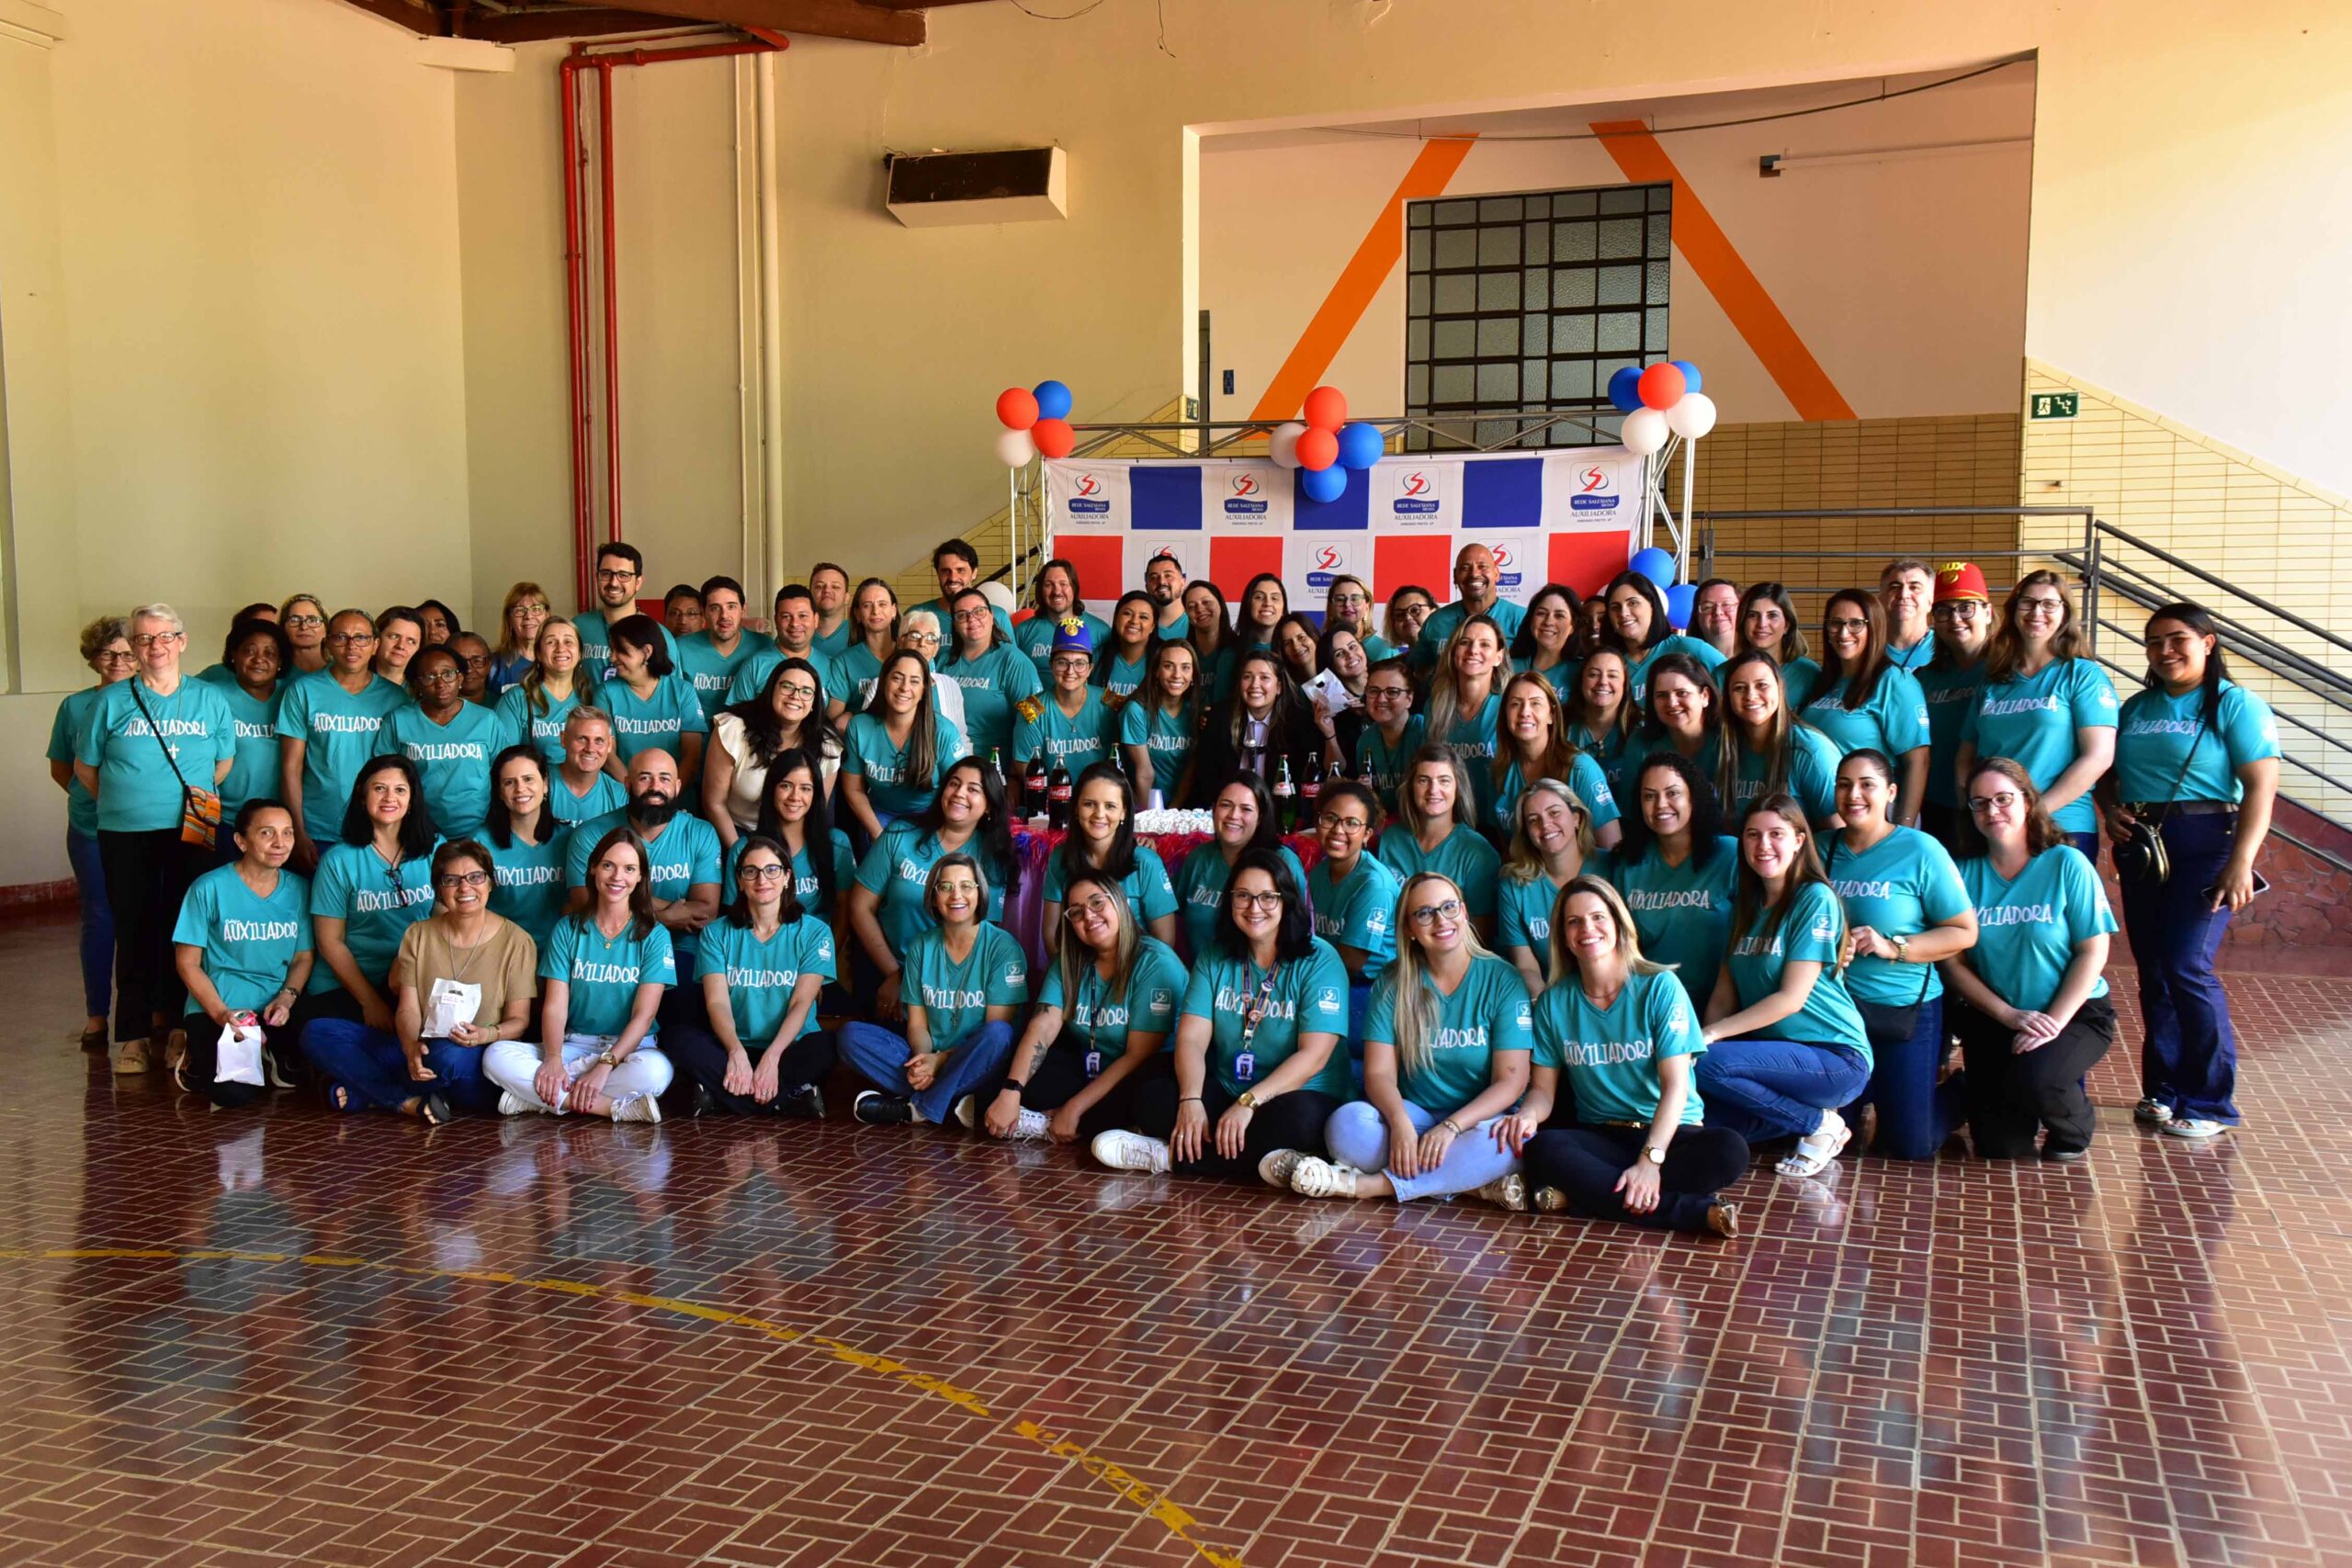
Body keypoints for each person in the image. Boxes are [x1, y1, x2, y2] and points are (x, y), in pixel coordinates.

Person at [2099, 603, 2279, 1140]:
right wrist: (2111, 809)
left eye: (2177, 639)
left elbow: (2261, 786)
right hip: (2143, 845)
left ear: (2209, 642)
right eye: (2153, 642)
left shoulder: (2234, 704)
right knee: (2154, 971)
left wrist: (2241, 861)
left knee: (2186, 966)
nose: (2165, 651)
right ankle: (2163, 1090)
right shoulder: (2135, 707)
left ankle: (2210, 1102)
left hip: (2208, 842)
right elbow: (2107, 772)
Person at [1092, 850, 1351, 1181]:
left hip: (1297, 1093)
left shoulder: (1319, 959)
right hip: (1230, 1085)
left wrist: (1248, 1104)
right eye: (1242, 896)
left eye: (1267, 898)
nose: (1254, 908)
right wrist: (1191, 1099)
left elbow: (1314, 1056)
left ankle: (1167, 1156)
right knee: (1153, 1099)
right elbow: (1191, 1038)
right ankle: (1268, 1164)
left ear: (1287, 901)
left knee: (1297, 1124)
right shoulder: (1216, 954)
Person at [1508, 876, 1746, 1236]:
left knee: (1730, 1150)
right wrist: (1527, 1113)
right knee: (1543, 1147)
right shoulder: (1555, 1002)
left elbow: (1676, 1087)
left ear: (1619, 924)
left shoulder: (1659, 987)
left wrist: (1650, 1161)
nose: (1587, 928)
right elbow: (1543, 1092)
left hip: (1669, 1133)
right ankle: (1690, 1212)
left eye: (1598, 917)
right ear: (1563, 936)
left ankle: (1586, 1196)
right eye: (1574, 921)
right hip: (1604, 1137)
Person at [1290, 872, 1535, 1204]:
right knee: (1346, 1126)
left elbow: (1511, 1081)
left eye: (1449, 907)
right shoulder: (1394, 981)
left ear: (1464, 912)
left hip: (1478, 1121)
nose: (1440, 920)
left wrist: (1451, 1127)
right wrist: (1400, 1122)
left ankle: (1371, 1186)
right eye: (1424, 913)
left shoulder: (1502, 978)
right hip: (1417, 1115)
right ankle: (1471, 1185)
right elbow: (1378, 1074)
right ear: (1409, 929)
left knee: (1508, 1143)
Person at [74, 603, 235, 1074]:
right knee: (135, 926)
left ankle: (184, 1027)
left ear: (181, 642)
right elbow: (86, 769)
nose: (155, 647)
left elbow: (222, 764)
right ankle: (135, 1036)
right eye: (144, 639)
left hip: (193, 827)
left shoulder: (209, 699)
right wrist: (129, 800)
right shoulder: (109, 702)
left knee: (187, 928)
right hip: (125, 832)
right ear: (135, 648)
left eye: (164, 637)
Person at [1694, 795, 1871, 1178]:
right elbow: (1723, 996)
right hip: (1774, 1062)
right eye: (1753, 835)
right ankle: (1804, 1119)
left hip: (1834, 1056)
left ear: (1799, 840)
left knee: (1704, 1062)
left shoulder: (1814, 898)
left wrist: (1709, 1038)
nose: (1764, 845)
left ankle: (1818, 1124)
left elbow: (1791, 999)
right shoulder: (1744, 905)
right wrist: (1701, 1039)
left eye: (1777, 834)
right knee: (1697, 1122)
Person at [1949, 760, 2120, 1159]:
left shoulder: (2066, 863)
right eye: (1980, 803)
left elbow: (2093, 950)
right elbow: (1952, 963)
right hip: (1998, 1016)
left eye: (2003, 799)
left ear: (2028, 801)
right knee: (1999, 1147)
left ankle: (2075, 1131)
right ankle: (1987, 1088)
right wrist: (2008, 1016)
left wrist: (2054, 1023)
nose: (1992, 811)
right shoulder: (1962, 874)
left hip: (2074, 1013)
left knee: (2037, 1080)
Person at [302, 837, 530, 1122]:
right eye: (452, 880)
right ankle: (404, 1099)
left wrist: (485, 1035)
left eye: (475, 877)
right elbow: (408, 1008)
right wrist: (410, 1046)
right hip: (420, 1045)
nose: (465, 888)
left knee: (446, 1058)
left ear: (490, 883)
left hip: (472, 1055)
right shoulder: (418, 935)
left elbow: (519, 1021)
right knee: (319, 1032)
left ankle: (368, 1090)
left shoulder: (517, 941)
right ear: (438, 888)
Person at [1825, 748, 1978, 1159]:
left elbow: (1964, 931)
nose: (1853, 794)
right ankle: (1876, 1089)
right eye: (1844, 784)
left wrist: (1894, 947)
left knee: (1911, 1145)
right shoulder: (1819, 850)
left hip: (1904, 1010)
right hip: (1838, 1015)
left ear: (1891, 792)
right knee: (1837, 1138)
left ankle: (1961, 1092)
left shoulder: (1921, 850)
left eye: (1867, 785)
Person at [488, 826, 673, 1122]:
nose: (617, 877)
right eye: (608, 866)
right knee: (495, 1056)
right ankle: (612, 1107)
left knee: (656, 1073)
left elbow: (644, 1016)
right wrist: (553, 1058)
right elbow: (555, 1006)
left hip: (630, 1048)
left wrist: (605, 1065)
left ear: (640, 877)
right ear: (593, 869)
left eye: (629, 869)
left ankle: (541, 1099)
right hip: (575, 1044)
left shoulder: (655, 935)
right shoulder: (567, 929)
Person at [981, 875, 1185, 1144]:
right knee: (1022, 1074)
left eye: (1098, 903)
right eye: (1076, 912)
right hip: (1093, 1062)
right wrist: (1012, 1090)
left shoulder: (1155, 961)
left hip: (1145, 1068)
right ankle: (1083, 1124)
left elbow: (1138, 1055)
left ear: (1121, 904)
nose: (1089, 916)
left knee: (1153, 1102)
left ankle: (1059, 1123)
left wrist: (1075, 1107)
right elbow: (1043, 1026)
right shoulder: (1070, 960)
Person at [841, 853, 1026, 1125]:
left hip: (977, 1059)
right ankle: (954, 1107)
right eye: (946, 887)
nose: (956, 896)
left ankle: (914, 1110)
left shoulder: (1003, 948)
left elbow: (996, 1030)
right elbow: (917, 1026)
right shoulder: (921, 946)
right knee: (850, 1035)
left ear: (980, 892)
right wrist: (922, 1060)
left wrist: (940, 1061)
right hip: (933, 1057)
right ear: (934, 896)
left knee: (1000, 1035)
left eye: (966, 886)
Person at [665, 834, 838, 1118]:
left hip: (788, 1048)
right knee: (679, 1039)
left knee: (828, 1046)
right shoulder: (716, 933)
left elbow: (801, 1004)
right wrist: (735, 1052)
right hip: (733, 1046)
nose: (762, 879)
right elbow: (717, 1003)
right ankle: (788, 1099)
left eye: (772, 870)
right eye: (751, 871)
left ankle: (722, 1099)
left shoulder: (815, 933)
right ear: (740, 881)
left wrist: (772, 1057)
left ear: (787, 877)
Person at [1955, 569, 2117, 858]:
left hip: (2062, 825)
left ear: (2065, 613)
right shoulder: (1994, 681)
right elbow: (1966, 756)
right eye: (2027, 602)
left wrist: (2033, 811)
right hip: (1997, 826)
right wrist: (1976, 809)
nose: (2036, 611)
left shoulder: (2082, 675)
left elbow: (2098, 756)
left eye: (2049, 604)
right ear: (2014, 610)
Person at [170, 800, 314, 1109]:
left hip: (275, 1008)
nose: (280, 843)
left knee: (311, 1074)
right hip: (220, 1006)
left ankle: (268, 1052)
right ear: (241, 841)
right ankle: (195, 1054)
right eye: (267, 833)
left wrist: (287, 999)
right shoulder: (209, 888)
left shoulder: (300, 889)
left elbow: (303, 958)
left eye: (287, 833)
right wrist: (223, 1015)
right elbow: (187, 963)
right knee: (232, 1096)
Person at [561, 750, 721, 1017]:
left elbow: (705, 912)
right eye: (645, 778)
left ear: (678, 786)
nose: (655, 787)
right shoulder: (590, 834)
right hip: (611, 948)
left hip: (680, 950)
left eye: (664, 779)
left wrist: (620, 899)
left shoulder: (700, 832)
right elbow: (584, 900)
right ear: (627, 784)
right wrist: (666, 916)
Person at [850, 758, 1018, 1005]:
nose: (959, 793)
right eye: (954, 784)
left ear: (989, 807)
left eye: (973, 789)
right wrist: (894, 974)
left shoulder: (992, 857)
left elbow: (980, 936)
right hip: (887, 970)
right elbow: (859, 907)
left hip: (949, 985)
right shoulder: (899, 834)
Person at [301, 754, 441, 1040]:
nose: (390, 797)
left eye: (400, 790)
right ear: (362, 794)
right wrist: (371, 1002)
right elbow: (330, 941)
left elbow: (444, 921)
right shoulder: (338, 860)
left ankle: (352, 1083)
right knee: (321, 1036)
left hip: (410, 978)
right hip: (347, 985)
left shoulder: (436, 849)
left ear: (413, 798)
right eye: (379, 788)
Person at [49, 615, 131, 1052]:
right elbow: (62, 767)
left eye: (126, 653)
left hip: (143, 829)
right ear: (93, 659)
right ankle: (97, 1015)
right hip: (90, 828)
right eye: (107, 653)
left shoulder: (154, 700)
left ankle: (153, 1012)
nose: (117, 662)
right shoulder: (74, 706)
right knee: (99, 918)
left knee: (148, 915)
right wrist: (96, 801)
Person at [1608, 752, 1739, 1010]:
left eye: (1673, 793)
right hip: (1653, 1005)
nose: (1660, 805)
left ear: (1694, 797)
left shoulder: (1729, 854)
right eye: (1649, 796)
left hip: (1725, 1005)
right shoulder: (1628, 864)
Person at [277, 608, 407, 867]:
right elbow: (291, 768)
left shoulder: (395, 697)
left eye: (361, 638)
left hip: (377, 828)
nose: (351, 646)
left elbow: (401, 769)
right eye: (341, 638)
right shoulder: (303, 691)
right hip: (317, 828)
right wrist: (298, 832)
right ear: (327, 644)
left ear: (375, 645)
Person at [1800, 589, 1930, 818]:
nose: (1843, 632)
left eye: (1856, 623)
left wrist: (1903, 829)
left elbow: (1918, 762)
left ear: (1874, 627)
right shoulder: (1825, 680)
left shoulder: (1894, 682)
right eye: (1835, 623)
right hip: (1824, 813)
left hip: (1872, 813)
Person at [724, 750, 854, 953]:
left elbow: (844, 912)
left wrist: (821, 966)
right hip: (756, 962)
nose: (795, 797)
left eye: (806, 788)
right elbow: (734, 919)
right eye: (786, 786)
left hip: (816, 955)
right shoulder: (743, 849)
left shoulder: (836, 844)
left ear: (816, 794)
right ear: (772, 790)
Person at [1042, 763, 1180, 953]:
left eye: (1110, 806)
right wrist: (1067, 975)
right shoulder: (1060, 858)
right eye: (1089, 804)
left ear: (1124, 811)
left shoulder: (1146, 861)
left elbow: (1164, 942)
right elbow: (1051, 934)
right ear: (1075, 808)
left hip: (1137, 970)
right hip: (1078, 970)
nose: (1099, 814)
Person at [1304, 779, 1403, 1040]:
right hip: (1328, 975)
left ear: (1367, 835)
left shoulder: (1374, 885)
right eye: (1331, 818)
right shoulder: (1319, 873)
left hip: (1371, 989)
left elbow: (1350, 963)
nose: (1338, 830)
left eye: (1351, 823)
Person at [1171, 774, 1306, 962]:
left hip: (1265, 981)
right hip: (1200, 976)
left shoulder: (1283, 861)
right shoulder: (1199, 858)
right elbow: (1171, 917)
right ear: (1214, 809)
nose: (1233, 816)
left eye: (1246, 809)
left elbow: (1300, 931)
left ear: (1260, 817)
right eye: (1226, 805)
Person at [706, 658, 841, 843]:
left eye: (806, 691)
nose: (795, 696)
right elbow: (714, 803)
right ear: (771, 691)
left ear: (813, 704)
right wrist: (741, 854)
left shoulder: (827, 744)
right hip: (737, 832)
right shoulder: (734, 729)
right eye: (787, 686)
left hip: (792, 837)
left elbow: (815, 810)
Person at [375, 645, 502, 839]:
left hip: (480, 830)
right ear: (416, 684)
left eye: (448, 674)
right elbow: (383, 776)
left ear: (460, 678)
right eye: (429, 677)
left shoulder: (486, 720)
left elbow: (504, 772)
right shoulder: (398, 721)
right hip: (418, 831)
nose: (440, 684)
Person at [840, 649, 967, 838]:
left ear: (924, 689)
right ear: (884, 682)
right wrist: (879, 837)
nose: (904, 687)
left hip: (931, 817)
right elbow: (854, 789)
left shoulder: (943, 731)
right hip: (879, 818)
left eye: (914, 681)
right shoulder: (859, 727)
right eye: (897, 678)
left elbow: (959, 790)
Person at [1377, 746, 1502, 936]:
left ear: (1458, 788)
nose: (1433, 790)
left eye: (1444, 781)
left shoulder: (1478, 852)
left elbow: (1480, 936)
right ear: (1411, 787)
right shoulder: (1391, 838)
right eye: (1423, 780)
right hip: (1392, 955)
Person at [1491, 671, 1620, 848]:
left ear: (1551, 715)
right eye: (1515, 704)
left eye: (1535, 703)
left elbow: (1611, 847)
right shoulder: (1501, 769)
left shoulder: (1581, 768)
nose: (1525, 712)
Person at [1916, 562, 1994, 846]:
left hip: (1991, 807)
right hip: (1936, 805)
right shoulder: (1925, 679)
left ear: (1988, 612)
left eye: (1966, 607)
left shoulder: (2006, 673)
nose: (1955, 618)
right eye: (1944, 611)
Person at [1716, 652, 1840, 829]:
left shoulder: (1811, 751)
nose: (1751, 696)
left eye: (1762, 685)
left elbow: (1839, 834)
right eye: (1739, 688)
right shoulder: (1724, 748)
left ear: (1780, 689)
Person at [1187, 649, 1324, 808]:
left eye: (1264, 678)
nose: (1254, 685)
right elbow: (1206, 776)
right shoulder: (1219, 718)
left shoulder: (1298, 723)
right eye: (1247, 677)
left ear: (1278, 687)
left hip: (1279, 813)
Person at [1497, 777, 1597, 990]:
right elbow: (1526, 967)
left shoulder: (1613, 868)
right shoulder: (1514, 885)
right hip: (1552, 997)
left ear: (1577, 818)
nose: (1545, 825)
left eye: (1554, 813)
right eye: (1533, 820)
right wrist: (1545, 1010)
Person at [941, 586, 1042, 774]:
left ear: (991, 616)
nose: (972, 619)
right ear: (954, 624)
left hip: (995, 771)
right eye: (962, 615)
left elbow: (1032, 720)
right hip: (948, 767)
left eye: (979, 611)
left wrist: (1014, 777)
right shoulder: (943, 662)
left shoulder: (1014, 661)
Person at [597, 613, 708, 778]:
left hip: (677, 797)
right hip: (625, 795)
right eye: (611, 649)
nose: (612, 658)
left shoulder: (682, 691)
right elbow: (607, 754)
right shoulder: (606, 693)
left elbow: (692, 756)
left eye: (621, 650)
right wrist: (634, 792)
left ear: (647, 652)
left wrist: (669, 795)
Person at [1423, 615, 1509, 827]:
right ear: (1453, 652)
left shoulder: (1510, 705)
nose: (1473, 650)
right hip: (1450, 825)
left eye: (1485, 644)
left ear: (1499, 657)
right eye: (1465, 642)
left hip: (1500, 828)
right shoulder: (1435, 706)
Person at [481, 746, 571, 949]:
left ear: (545, 784)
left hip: (559, 952)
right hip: (502, 952)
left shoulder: (570, 839)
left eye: (528, 779)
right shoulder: (479, 843)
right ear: (499, 792)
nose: (520, 789)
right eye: (509, 782)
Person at [213, 619, 290, 846]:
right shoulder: (214, 695)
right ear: (234, 655)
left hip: (279, 821)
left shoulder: (293, 695)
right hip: (224, 818)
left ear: (280, 661)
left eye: (270, 653)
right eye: (249, 651)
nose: (259, 659)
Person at [1618, 653, 1722, 819]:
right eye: (1662, 695)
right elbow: (1632, 814)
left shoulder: (1727, 740)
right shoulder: (1640, 744)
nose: (1672, 703)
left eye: (1682, 693)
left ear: (1705, 696)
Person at [1012, 620, 1114, 786]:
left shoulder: (1109, 704)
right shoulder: (1031, 711)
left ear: (1090, 669)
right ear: (1051, 665)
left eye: (1080, 663)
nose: (1070, 671)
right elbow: (1026, 770)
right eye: (1062, 662)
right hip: (1053, 802)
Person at [1600, 571, 1724, 705]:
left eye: (1633, 603)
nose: (1623, 613)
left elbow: (1735, 684)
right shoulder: (1608, 663)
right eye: (1615, 607)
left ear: (1652, 605)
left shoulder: (1691, 649)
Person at [576, 542, 680, 684]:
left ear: (638, 582)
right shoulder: (577, 627)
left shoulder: (659, 636)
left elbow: (671, 693)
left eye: (623, 575)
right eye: (606, 574)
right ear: (597, 577)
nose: (613, 582)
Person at [1412, 545, 1526, 671]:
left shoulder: (1522, 619)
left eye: (1482, 566)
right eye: (1465, 568)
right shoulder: (1436, 622)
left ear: (1496, 573)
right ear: (1455, 576)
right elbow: (1418, 671)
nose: (1474, 574)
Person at [494, 617, 585, 767]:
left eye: (568, 642)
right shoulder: (516, 699)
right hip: (534, 787)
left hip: (581, 787)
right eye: (551, 642)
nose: (561, 648)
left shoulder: (591, 697)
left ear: (580, 653)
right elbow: (504, 762)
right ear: (539, 653)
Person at [1117, 638, 1201, 802]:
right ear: (1156, 671)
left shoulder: (1196, 711)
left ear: (1193, 675)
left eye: (1185, 667)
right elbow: (1144, 773)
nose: (1177, 675)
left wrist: (1174, 811)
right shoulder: (1136, 711)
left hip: (1187, 807)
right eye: (1168, 666)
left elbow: (1191, 771)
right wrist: (1147, 819)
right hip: (1147, 803)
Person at [725, 583, 827, 706]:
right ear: (776, 621)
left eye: (802, 616)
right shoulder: (754, 665)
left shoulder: (830, 666)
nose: (794, 623)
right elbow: (735, 717)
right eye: (786, 617)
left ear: (816, 620)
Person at [676, 575, 758, 720]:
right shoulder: (681, 649)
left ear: (744, 610)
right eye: (715, 608)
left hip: (745, 737)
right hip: (694, 737)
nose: (724, 616)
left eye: (731, 606)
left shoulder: (763, 647)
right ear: (704, 611)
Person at [1352, 658, 1425, 818]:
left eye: (1392, 692)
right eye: (1374, 691)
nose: (1381, 699)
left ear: (1409, 698)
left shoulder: (1424, 731)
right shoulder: (1365, 742)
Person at [909, 537, 1014, 642]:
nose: (953, 578)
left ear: (974, 573)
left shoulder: (998, 616)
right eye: (945, 571)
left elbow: (1010, 657)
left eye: (960, 570)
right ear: (938, 574)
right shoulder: (917, 615)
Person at [1736, 581, 1818, 711]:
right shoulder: (1723, 674)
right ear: (1742, 622)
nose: (1762, 624)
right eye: (1753, 615)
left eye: (1772, 615)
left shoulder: (1810, 674)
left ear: (1787, 625)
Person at [1565, 647, 1635, 798]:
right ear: (1581, 680)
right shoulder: (1562, 727)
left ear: (1625, 683)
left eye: (1612, 676)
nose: (1603, 682)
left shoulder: (1641, 729)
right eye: (1594, 674)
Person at [1018, 562, 1107, 681]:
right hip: (1035, 699)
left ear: (1074, 588)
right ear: (1041, 590)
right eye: (1049, 585)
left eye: (1063, 584)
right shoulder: (1023, 631)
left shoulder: (1101, 631)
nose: (1057, 591)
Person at [827, 577, 899, 716]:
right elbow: (833, 721)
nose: (875, 611)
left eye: (882, 604)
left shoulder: (908, 654)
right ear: (857, 614)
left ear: (894, 611)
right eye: (867, 605)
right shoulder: (844, 662)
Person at [545, 705, 628, 827]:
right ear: (564, 739)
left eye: (599, 741)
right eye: (582, 739)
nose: (590, 749)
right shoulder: (539, 785)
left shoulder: (621, 796)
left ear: (609, 745)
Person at [1509, 583, 1582, 703]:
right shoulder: (1510, 668)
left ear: (1572, 626)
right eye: (1542, 613)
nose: (1549, 622)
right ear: (1531, 620)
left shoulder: (1582, 671)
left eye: (1559, 616)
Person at [488, 581, 550, 696]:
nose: (528, 616)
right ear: (509, 619)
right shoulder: (494, 665)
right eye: (519, 610)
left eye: (536, 609)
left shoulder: (558, 661)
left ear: (547, 615)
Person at [1093, 592, 1160, 699]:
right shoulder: (1097, 656)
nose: (1134, 621)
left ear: (1153, 626)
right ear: (1115, 619)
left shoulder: (1163, 659)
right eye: (1127, 613)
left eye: (1143, 617)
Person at [1182, 581, 1238, 702]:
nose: (1200, 609)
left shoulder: (1240, 650)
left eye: (1206, 602)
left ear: (1220, 604)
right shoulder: (1183, 655)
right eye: (1192, 606)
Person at [1880, 557, 1938, 672]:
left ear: (1930, 601)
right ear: (1881, 599)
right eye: (1895, 587)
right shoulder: (1866, 647)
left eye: (1915, 587)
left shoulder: (1945, 647)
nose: (1903, 594)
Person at [1321, 573, 1392, 661]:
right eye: (1340, 599)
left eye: (1355, 599)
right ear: (1331, 607)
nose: (1347, 604)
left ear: (1367, 606)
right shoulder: (1321, 650)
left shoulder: (1386, 650)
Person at [1142, 552, 1191, 643]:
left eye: (1168, 575)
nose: (1161, 582)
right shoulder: (1139, 626)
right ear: (1147, 586)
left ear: (1183, 583)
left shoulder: (1197, 621)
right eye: (1153, 577)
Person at [371, 606, 424, 688]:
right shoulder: (352, 684)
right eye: (394, 636)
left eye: (411, 641)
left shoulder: (421, 692)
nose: (401, 646)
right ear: (377, 639)